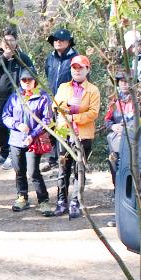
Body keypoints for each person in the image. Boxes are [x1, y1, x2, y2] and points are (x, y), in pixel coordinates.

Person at [53, 55, 100, 218]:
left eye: (81, 67)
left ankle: (75, 202)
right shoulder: (63, 87)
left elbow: (93, 112)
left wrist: (75, 117)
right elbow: (55, 105)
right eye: (75, 67)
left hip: (83, 135)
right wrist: (66, 108)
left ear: (88, 69)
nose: (77, 70)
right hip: (64, 133)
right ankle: (61, 202)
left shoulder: (93, 90)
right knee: (62, 169)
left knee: (78, 170)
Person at [2, 70, 55, 215]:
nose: (26, 82)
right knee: (19, 171)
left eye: (29, 80)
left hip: (34, 141)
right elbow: (5, 115)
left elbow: (47, 120)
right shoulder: (15, 97)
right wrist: (17, 124)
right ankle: (22, 197)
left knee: (33, 172)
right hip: (16, 140)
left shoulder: (43, 97)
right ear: (20, 81)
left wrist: (33, 134)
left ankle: (43, 201)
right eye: (23, 80)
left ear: (34, 81)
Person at [0, 26, 35, 169]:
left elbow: (31, 73)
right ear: (1, 43)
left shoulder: (22, 57)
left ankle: (13, 156)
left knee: (16, 125)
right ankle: (3, 153)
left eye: (11, 40)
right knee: (0, 125)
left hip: (17, 99)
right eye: (6, 40)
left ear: (16, 41)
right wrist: (4, 58)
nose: (9, 43)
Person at [104, 73, 141, 189]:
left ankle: (136, 191)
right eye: (121, 81)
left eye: (127, 81)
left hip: (136, 140)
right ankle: (118, 190)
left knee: (135, 166)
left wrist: (133, 128)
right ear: (118, 83)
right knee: (115, 163)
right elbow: (107, 120)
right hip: (117, 140)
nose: (124, 84)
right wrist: (113, 126)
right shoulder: (114, 101)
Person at [44, 28, 77, 95]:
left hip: (69, 100)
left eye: (62, 39)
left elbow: (83, 83)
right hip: (52, 100)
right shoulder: (50, 58)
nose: (58, 41)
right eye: (55, 39)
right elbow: (48, 75)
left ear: (69, 42)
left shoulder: (76, 59)